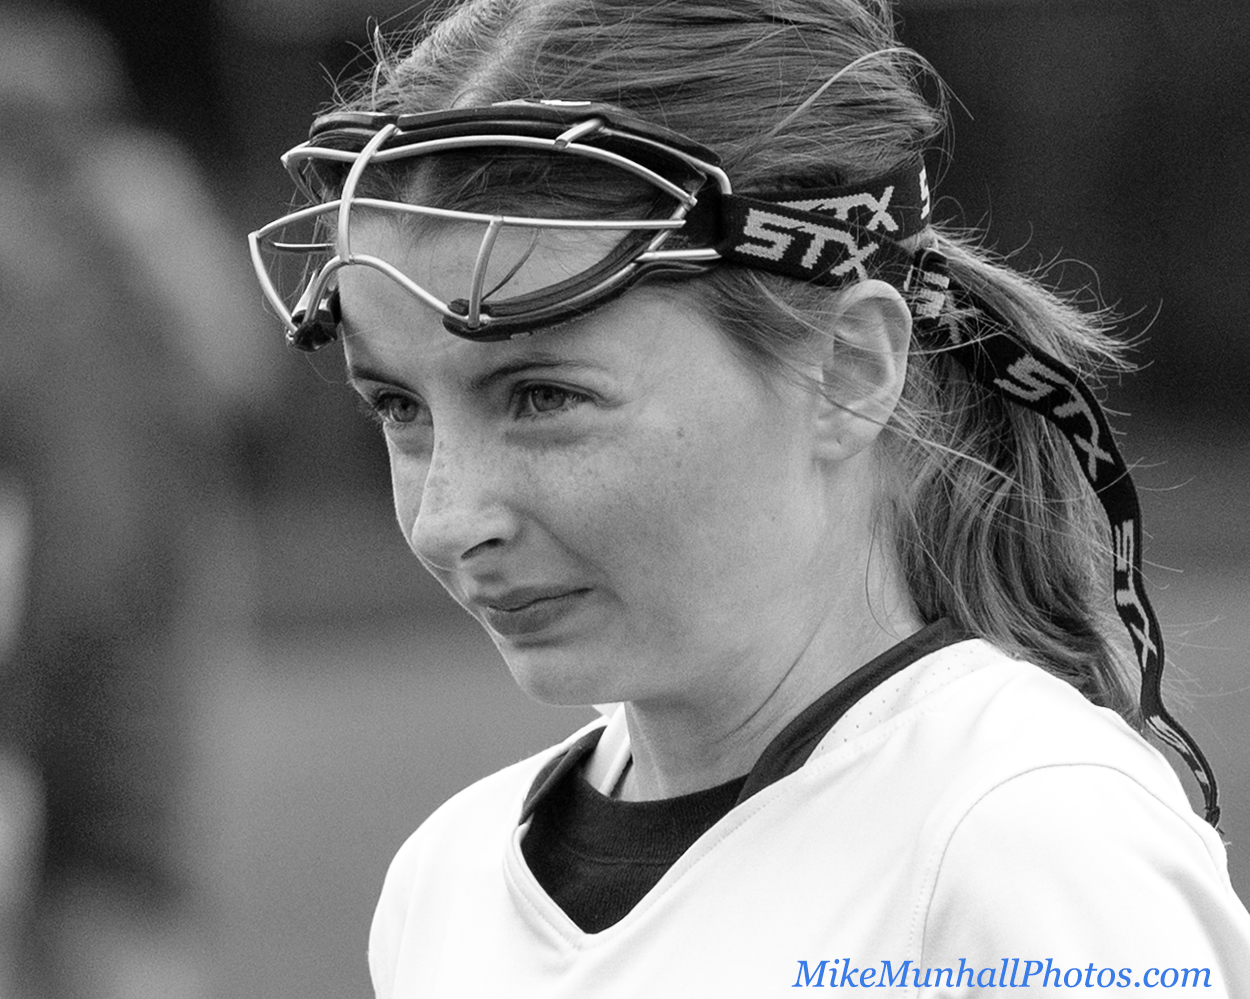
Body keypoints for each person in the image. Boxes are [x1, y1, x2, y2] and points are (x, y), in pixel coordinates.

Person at [249, 0, 1250, 994]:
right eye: (399, 407)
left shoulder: (1021, 839)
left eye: (544, 396)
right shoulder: (446, 881)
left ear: (848, 370)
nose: (447, 520)